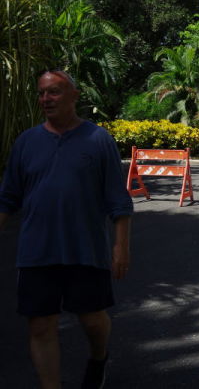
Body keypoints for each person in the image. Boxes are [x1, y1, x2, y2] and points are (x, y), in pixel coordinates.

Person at [0, 69, 133, 389]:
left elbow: (118, 199)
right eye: (41, 93)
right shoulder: (26, 141)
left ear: (74, 96)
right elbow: (8, 197)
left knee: (92, 319)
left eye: (54, 92)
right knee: (40, 326)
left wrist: (121, 246)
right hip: (36, 251)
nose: (46, 99)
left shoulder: (98, 139)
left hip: (85, 247)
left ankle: (99, 358)